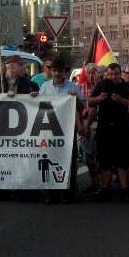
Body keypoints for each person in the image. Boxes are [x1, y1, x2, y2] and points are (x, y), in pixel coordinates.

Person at [38, 56, 84, 204]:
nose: (57, 73)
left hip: (67, 129)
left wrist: (76, 99)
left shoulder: (72, 87)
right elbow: (37, 106)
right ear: (51, 71)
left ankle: (69, 193)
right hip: (49, 129)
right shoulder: (45, 87)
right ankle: (52, 193)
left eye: (60, 71)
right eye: (54, 70)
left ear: (65, 72)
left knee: (69, 161)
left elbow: (82, 107)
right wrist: (33, 98)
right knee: (51, 159)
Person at [88, 63, 129, 202]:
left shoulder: (127, 86)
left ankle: (124, 189)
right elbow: (90, 101)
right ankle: (105, 189)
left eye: (116, 74)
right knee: (104, 160)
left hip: (121, 127)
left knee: (122, 160)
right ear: (106, 74)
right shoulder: (101, 85)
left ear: (121, 74)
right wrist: (99, 99)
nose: (113, 77)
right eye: (110, 74)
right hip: (104, 127)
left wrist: (121, 100)